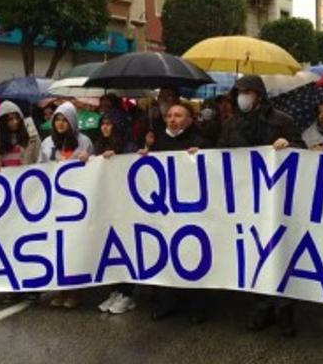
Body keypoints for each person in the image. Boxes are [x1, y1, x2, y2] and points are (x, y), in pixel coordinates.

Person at [217, 75, 303, 336]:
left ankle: (285, 311)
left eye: (247, 92)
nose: (242, 96)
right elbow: (218, 155)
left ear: (259, 94)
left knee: (279, 252)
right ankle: (261, 308)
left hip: (276, 198)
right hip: (245, 199)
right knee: (254, 253)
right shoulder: (230, 125)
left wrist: (289, 145)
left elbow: (303, 150)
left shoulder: (282, 121)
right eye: (239, 92)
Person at [145, 103, 211, 323]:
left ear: (189, 120)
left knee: (192, 255)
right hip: (164, 211)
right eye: (170, 115)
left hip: (191, 211)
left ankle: (197, 306)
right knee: (164, 255)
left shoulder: (200, 142)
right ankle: (165, 302)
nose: (172, 119)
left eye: (178, 115)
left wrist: (203, 157)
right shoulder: (157, 143)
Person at [39, 102, 93, 308]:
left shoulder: (83, 141)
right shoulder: (47, 143)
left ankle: (75, 291)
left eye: (64, 120)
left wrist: (88, 159)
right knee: (58, 247)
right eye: (57, 120)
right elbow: (39, 168)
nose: (61, 124)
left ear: (72, 122)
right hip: (55, 202)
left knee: (74, 246)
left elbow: (94, 169)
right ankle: (62, 289)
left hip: (76, 203)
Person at [93, 112, 138, 315]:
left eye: (109, 123)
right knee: (110, 248)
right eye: (102, 123)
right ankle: (115, 290)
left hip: (125, 206)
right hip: (107, 205)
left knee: (125, 248)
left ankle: (127, 294)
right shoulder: (98, 145)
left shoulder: (129, 145)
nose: (105, 127)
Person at [0, 101, 41, 171]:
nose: (15, 121)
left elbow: (40, 157)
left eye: (17, 118)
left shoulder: (31, 135)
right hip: (4, 180)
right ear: (2, 121)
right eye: (10, 119)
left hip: (27, 178)